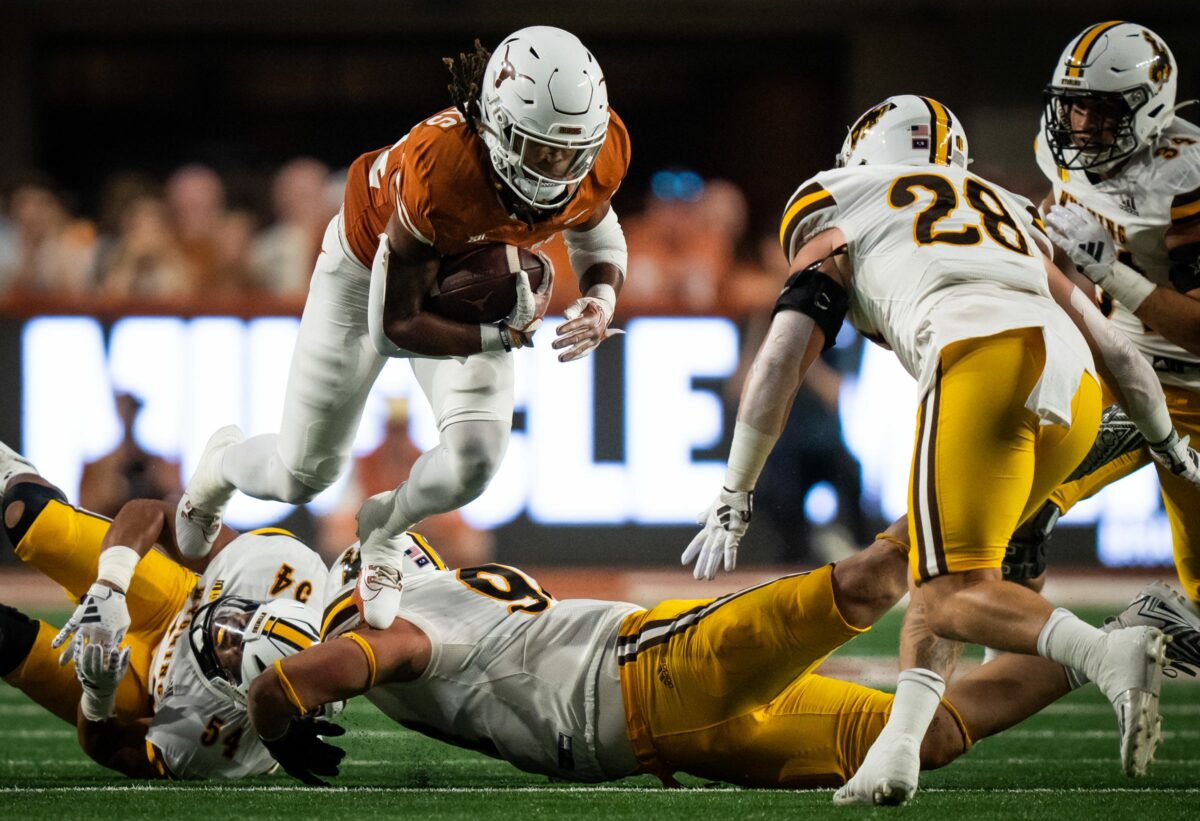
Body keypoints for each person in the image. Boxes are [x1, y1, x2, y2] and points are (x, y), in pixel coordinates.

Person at [682, 94, 1200, 799]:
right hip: (1076, 389)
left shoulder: (842, 200)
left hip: (981, 361)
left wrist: (735, 489)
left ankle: (1111, 650)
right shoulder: (1003, 206)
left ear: (862, 154)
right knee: (933, 561)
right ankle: (897, 749)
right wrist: (1169, 445)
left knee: (952, 592)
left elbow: (779, 356)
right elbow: (1112, 344)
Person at [174, 26, 631, 634]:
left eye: (570, 154)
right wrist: (502, 337)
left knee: (477, 458)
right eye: (540, 150)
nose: (557, 169)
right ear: (495, 125)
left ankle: (384, 533)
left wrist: (601, 299)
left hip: (457, 268)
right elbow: (395, 325)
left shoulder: (595, 149)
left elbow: (594, 223)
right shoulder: (441, 176)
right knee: (303, 473)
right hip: (366, 275)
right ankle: (219, 469)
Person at [243, 521, 1200, 799]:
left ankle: (1018, 482)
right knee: (934, 735)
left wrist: (272, 708)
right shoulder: (439, 584)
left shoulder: (404, 612)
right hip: (675, 740)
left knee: (870, 582)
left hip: (655, 670)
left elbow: (371, 654)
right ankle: (1133, 631)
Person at [1000, 22, 1200, 603]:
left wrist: (1111, 271)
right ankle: (1000, 678)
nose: (1082, 125)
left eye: (1102, 110)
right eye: (1075, 107)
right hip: (1120, 378)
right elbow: (1060, 224)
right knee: (1018, 511)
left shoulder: (1185, 180)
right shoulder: (1065, 151)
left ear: (1149, 108)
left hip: (1192, 391)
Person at [0, 441, 325, 779]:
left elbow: (112, 747)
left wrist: (99, 695)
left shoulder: (219, 748)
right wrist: (111, 585)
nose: (222, 629)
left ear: (241, 694)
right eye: (239, 619)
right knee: (31, 517)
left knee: (5, 640)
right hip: (173, 602)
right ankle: (12, 469)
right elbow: (155, 513)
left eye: (226, 649)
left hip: (142, 687)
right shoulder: (284, 570)